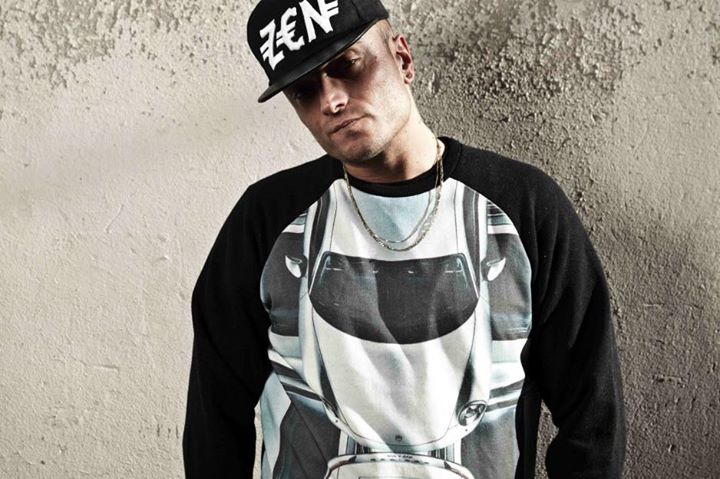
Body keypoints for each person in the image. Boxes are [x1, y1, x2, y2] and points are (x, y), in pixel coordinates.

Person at [182, 0, 627, 477]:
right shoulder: (268, 220)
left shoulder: (522, 206)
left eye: (347, 66)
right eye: (303, 91)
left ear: (402, 58)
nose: (330, 101)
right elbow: (215, 416)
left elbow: (592, 413)